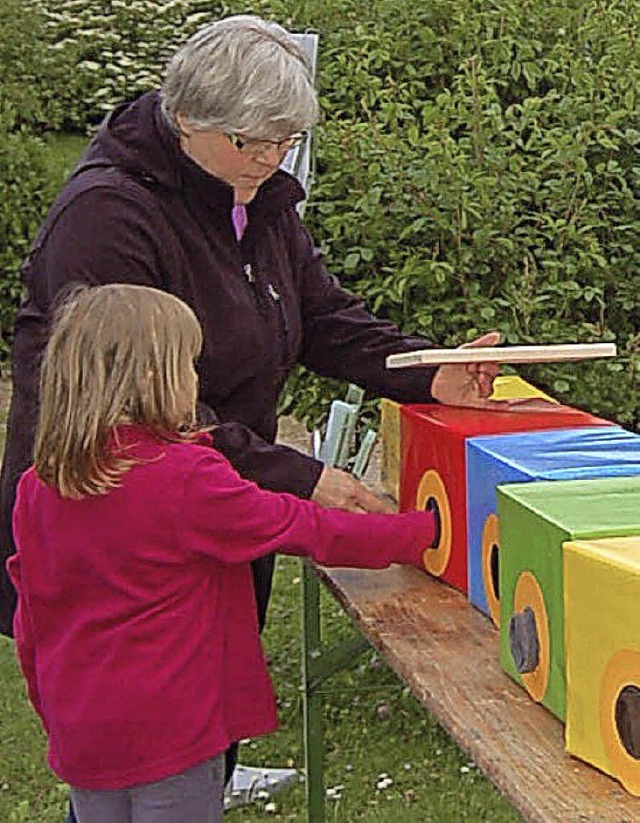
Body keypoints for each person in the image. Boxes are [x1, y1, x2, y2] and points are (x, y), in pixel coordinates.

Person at [0, 12, 503, 804]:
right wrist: (305, 480)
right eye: (253, 141)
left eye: (283, 141)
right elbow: (133, 401)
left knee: (193, 687)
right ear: (188, 117)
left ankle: (198, 772)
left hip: (201, 487)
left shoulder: (252, 193)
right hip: (117, 504)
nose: (271, 159)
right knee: (146, 708)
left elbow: (318, 313)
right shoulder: (105, 218)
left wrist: (424, 371)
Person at [7, 283, 440, 823]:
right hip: (171, 730)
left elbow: (32, 618)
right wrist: (424, 532)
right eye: (189, 364)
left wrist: (52, 707)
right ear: (152, 378)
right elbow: (304, 527)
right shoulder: (184, 479)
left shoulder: (38, 487)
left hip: (81, 729)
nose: (195, 379)